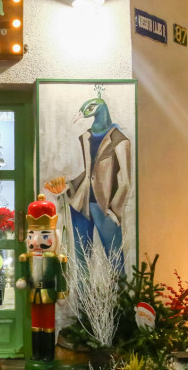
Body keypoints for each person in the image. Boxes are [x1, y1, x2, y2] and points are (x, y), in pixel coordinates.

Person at [46, 89, 131, 268]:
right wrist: (69, 186)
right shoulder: (86, 136)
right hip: (81, 203)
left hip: (105, 206)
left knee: (115, 260)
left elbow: (125, 182)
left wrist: (114, 210)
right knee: (81, 260)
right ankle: (82, 289)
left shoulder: (120, 141)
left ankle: (118, 290)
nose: (81, 115)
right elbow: (90, 173)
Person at [16, 194, 68, 370]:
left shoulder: (56, 260)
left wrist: (61, 293)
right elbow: (24, 273)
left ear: (55, 236)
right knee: (36, 325)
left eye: (44, 235)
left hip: (49, 294)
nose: (36, 242)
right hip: (34, 294)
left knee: (48, 325)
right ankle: (36, 353)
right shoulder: (27, 258)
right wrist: (23, 280)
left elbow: (61, 277)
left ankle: (48, 355)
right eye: (32, 235)